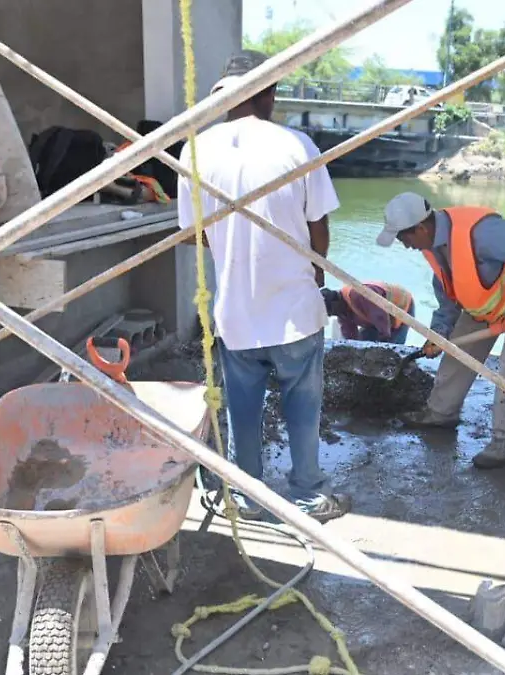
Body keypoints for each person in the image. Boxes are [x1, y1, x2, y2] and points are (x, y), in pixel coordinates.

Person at [176, 50, 350, 522]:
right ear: (269, 92)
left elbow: (199, 236)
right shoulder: (298, 146)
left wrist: (236, 260)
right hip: (294, 309)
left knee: (243, 413)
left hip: (236, 314)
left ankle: (247, 494)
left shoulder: (194, 151)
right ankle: (309, 494)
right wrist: (313, 276)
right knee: (302, 409)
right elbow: (319, 227)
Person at [375, 192, 505, 469]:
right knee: (457, 354)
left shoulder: (482, 233)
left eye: (403, 238)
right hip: (483, 303)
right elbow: (448, 296)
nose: (405, 245)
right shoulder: (432, 246)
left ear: (420, 228)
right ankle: (440, 413)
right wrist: (439, 333)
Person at [321, 282, 415, 344]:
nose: (332, 314)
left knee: (391, 351)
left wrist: (383, 346)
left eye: (330, 311)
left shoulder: (358, 295)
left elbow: (381, 319)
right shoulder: (342, 312)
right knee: (364, 346)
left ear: (335, 302)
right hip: (375, 321)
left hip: (400, 307)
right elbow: (351, 339)